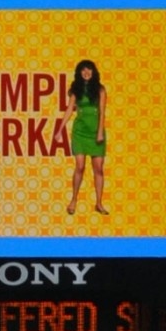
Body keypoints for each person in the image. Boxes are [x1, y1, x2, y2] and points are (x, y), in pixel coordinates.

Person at [65, 58, 107, 217]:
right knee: (80, 166)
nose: (86, 72)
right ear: (79, 73)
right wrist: (59, 129)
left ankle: (99, 203)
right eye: (83, 70)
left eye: (89, 69)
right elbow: (69, 110)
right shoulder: (76, 89)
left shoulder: (100, 90)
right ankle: (74, 199)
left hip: (96, 131)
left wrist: (100, 131)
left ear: (93, 72)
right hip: (80, 132)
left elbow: (102, 112)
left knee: (98, 169)